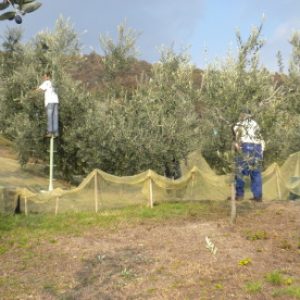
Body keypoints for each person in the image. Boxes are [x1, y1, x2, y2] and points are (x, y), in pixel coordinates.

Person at [233, 108, 265, 202]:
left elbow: (237, 139)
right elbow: (261, 138)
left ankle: (239, 195)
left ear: (243, 115)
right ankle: (258, 197)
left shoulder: (239, 124)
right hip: (258, 147)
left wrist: (237, 147)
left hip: (246, 147)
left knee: (240, 172)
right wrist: (261, 152)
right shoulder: (256, 124)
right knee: (256, 173)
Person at [36, 72, 59, 137]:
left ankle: (50, 132)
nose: (44, 78)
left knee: (50, 117)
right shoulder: (53, 83)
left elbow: (39, 89)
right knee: (55, 117)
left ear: (48, 77)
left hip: (50, 102)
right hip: (56, 101)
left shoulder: (47, 82)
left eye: (45, 77)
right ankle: (56, 133)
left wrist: (32, 92)